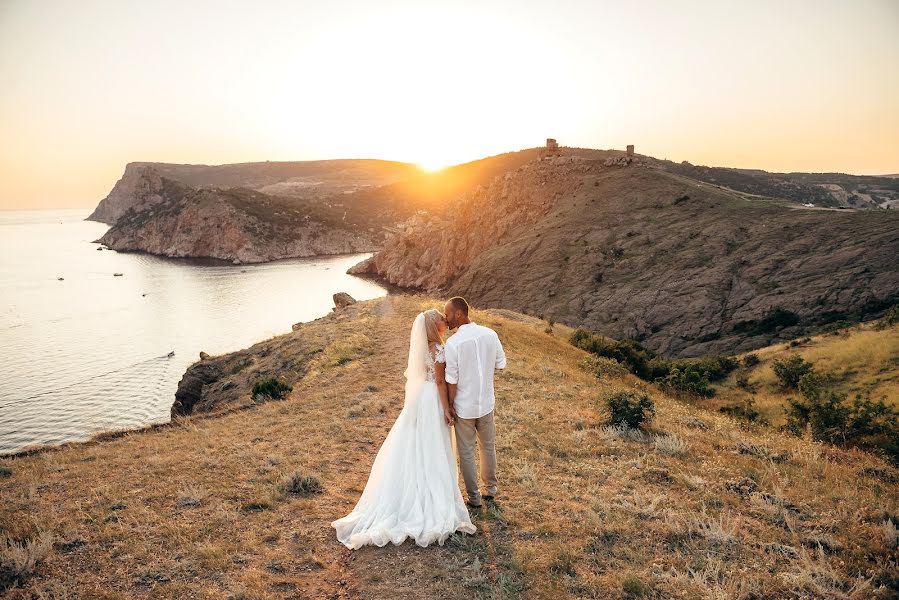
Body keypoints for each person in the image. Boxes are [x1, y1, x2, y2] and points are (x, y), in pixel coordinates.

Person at [331, 309, 476, 549]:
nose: (444, 319)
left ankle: (415, 487)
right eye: (440, 318)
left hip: (420, 399)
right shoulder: (438, 349)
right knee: (432, 445)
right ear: (433, 325)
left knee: (417, 442)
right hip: (432, 400)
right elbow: (440, 381)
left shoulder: (423, 349)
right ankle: (431, 495)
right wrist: (447, 407)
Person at [443, 296, 506, 508]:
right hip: (486, 402)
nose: (446, 318)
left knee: (467, 452)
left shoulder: (453, 344)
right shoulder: (490, 334)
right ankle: (490, 490)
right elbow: (501, 364)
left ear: (459, 314)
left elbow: (452, 380)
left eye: (448, 314)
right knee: (488, 447)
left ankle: (474, 498)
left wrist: (450, 405)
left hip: (464, 406)